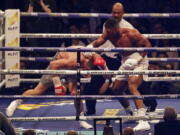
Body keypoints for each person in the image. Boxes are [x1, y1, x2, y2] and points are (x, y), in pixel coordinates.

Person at [6, 46, 108, 129]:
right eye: (87, 66)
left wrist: (107, 75)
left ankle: (81, 119)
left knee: (76, 93)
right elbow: (53, 64)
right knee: (38, 90)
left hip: (75, 68)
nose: (89, 68)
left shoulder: (95, 57)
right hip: (58, 65)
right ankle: (16, 101)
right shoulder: (73, 60)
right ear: (85, 59)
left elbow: (104, 68)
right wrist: (57, 84)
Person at [88, 18, 151, 131]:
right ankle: (130, 113)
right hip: (125, 60)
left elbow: (147, 44)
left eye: (111, 32)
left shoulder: (131, 33)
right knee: (116, 89)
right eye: (107, 32)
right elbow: (98, 42)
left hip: (139, 59)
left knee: (132, 85)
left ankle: (143, 120)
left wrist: (137, 59)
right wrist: (89, 48)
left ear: (117, 29)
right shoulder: (108, 34)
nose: (109, 34)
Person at [85, 2, 135, 116]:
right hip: (105, 58)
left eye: (118, 12)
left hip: (120, 60)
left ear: (123, 13)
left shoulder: (128, 27)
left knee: (119, 89)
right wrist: (91, 48)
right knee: (91, 85)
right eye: (114, 12)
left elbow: (134, 46)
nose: (116, 15)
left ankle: (133, 109)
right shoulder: (107, 24)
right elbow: (102, 40)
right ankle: (90, 111)